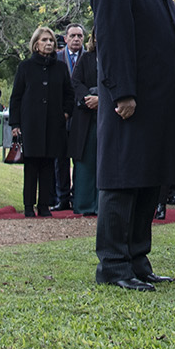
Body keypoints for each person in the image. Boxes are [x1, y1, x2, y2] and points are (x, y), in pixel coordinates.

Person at [88, 0, 175, 291]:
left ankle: (137, 258)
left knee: (147, 180)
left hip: (157, 99)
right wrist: (123, 92)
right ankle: (113, 264)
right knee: (122, 181)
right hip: (129, 100)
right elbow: (112, 37)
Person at [8, 24, 70, 218]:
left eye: (51, 40)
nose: (49, 43)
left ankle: (45, 205)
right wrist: (15, 124)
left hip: (53, 124)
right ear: (36, 44)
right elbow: (16, 96)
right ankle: (28, 205)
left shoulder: (60, 68)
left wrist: (65, 113)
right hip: (31, 123)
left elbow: (69, 94)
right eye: (44, 40)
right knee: (31, 166)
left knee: (48, 166)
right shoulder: (25, 67)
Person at [52, 20, 89, 212]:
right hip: (61, 115)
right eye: (73, 36)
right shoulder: (57, 58)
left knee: (80, 158)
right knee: (60, 158)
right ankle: (62, 196)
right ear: (65, 38)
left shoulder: (89, 58)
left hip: (83, 115)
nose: (76, 39)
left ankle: (79, 194)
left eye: (80, 36)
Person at [66, 30, 99, 216]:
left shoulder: (116, 57)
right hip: (86, 117)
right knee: (85, 162)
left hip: (108, 117)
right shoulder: (86, 58)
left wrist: (101, 99)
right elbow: (75, 82)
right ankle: (84, 204)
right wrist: (89, 97)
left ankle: (102, 204)